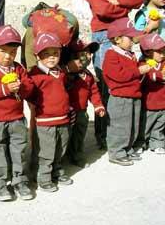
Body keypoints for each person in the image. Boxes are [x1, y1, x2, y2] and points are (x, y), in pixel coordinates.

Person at [83, 0, 144, 149]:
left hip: (124, 36)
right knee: (107, 85)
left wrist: (118, 0)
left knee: (126, 82)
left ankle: (124, 134)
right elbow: (102, 10)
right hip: (104, 36)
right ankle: (105, 136)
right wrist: (126, 4)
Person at [0, 25, 34, 201]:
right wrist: (5, 89)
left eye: (12, 52)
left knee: (19, 149)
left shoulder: (18, 68)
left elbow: (29, 87)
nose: (8, 56)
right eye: (3, 51)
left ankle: (20, 180)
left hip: (17, 118)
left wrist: (22, 88)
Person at [27, 33, 72, 193]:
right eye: (46, 54)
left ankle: (57, 171)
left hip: (63, 118)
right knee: (46, 150)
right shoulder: (35, 74)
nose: (52, 58)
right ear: (37, 55)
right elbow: (30, 95)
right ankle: (43, 177)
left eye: (55, 54)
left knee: (61, 147)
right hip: (45, 120)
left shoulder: (60, 72)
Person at [102, 18, 150, 166]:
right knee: (119, 125)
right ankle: (117, 151)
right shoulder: (111, 55)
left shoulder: (129, 54)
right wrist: (138, 71)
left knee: (132, 124)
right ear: (117, 39)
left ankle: (127, 148)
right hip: (120, 97)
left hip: (133, 95)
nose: (133, 40)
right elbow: (118, 75)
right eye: (129, 38)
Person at [66, 40, 105, 168]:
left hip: (82, 111)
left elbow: (94, 92)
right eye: (84, 53)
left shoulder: (88, 75)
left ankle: (77, 155)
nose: (88, 56)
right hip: (67, 112)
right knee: (66, 135)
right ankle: (63, 157)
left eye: (89, 54)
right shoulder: (67, 74)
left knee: (79, 134)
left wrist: (98, 105)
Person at [137, 33, 165, 154]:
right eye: (159, 51)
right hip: (149, 104)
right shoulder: (144, 64)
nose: (163, 54)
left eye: (164, 50)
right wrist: (160, 76)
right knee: (146, 125)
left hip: (163, 102)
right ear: (148, 52)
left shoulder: (163, 63)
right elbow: (149, 75)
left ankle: (157, 143)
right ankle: (141, 142)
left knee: (160, 125)